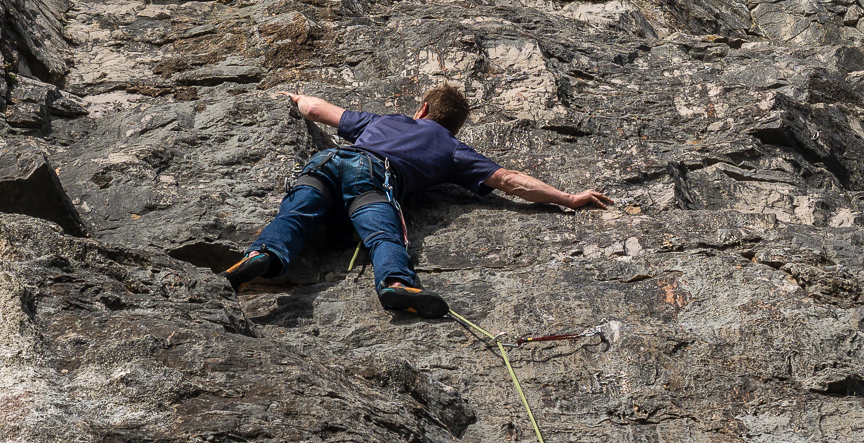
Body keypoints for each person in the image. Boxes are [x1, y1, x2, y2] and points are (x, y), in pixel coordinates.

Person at [222, 84, 613, 318]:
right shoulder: (453, 149)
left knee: (295, 214)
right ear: (453, 126)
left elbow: (319, 110)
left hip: (327, 162)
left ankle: (263, 255)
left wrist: (294, 97)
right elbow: (509, 181)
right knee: (384, 235)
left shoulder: (386, 120)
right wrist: (568, 198)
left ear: (423, 109)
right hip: (372, 178)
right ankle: (395, 284)